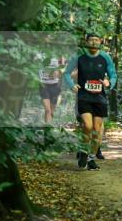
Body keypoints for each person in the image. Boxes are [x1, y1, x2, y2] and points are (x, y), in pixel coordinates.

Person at [64, 33, 116, 170]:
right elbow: (66, 73)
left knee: (97, 129)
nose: (93, 42)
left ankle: (91, 158)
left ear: (100, 42)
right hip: (84, 96)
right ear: (86, 42)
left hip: (99, 97)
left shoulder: (105, 57)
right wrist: (71, 85)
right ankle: (83, 151)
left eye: (96, 40)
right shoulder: (79, 57)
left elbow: (113, 74)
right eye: (91, 40)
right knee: (87, 125)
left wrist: (108, 82)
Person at [38, 54, 66, 124]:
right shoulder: (38, 54)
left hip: (55, 86)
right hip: (43, 85)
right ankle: (47, 130)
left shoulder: (58, 55)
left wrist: (59, 72)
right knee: (48, 110)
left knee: (51, 112)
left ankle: (47, 127)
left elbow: (63, 70)